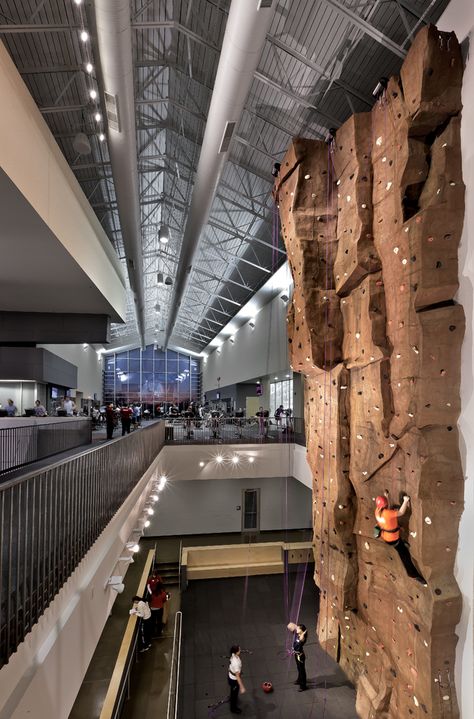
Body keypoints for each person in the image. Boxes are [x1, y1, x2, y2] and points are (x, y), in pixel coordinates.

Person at [374, 492, 427, 585]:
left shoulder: (377, 511)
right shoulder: (388, 513)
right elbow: (401, 512)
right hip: (393, 539)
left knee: (400, 539)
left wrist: (387, 497)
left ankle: (402, 543)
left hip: (386, 537)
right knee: (405, 556)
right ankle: (412, 574)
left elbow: (387, 510)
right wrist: (405, 501)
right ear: (385, 505)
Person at [288, 622, 307, 691]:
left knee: (302, 670)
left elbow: (298, 644)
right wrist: (294, 627)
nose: (297, 629)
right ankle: (299, 680)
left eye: (298, 629)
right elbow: (292, 627)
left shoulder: (302, 638)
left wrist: (294, 650)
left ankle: (303, 686)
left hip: (300, 656)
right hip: (297, 654)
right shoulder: (297, 634)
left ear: (301, 630)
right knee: (299, 668)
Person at [228, 645, 245, 714]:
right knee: (234, 694)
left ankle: (231, 697)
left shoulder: (233, 654)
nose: (240, 651)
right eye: (239, 650)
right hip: (234, 680)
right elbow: (237, 677)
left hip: (231, 675)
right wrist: (242, 687)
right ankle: (233, 708)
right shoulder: (236, 663)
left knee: (233, 691)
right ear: (236, 652)